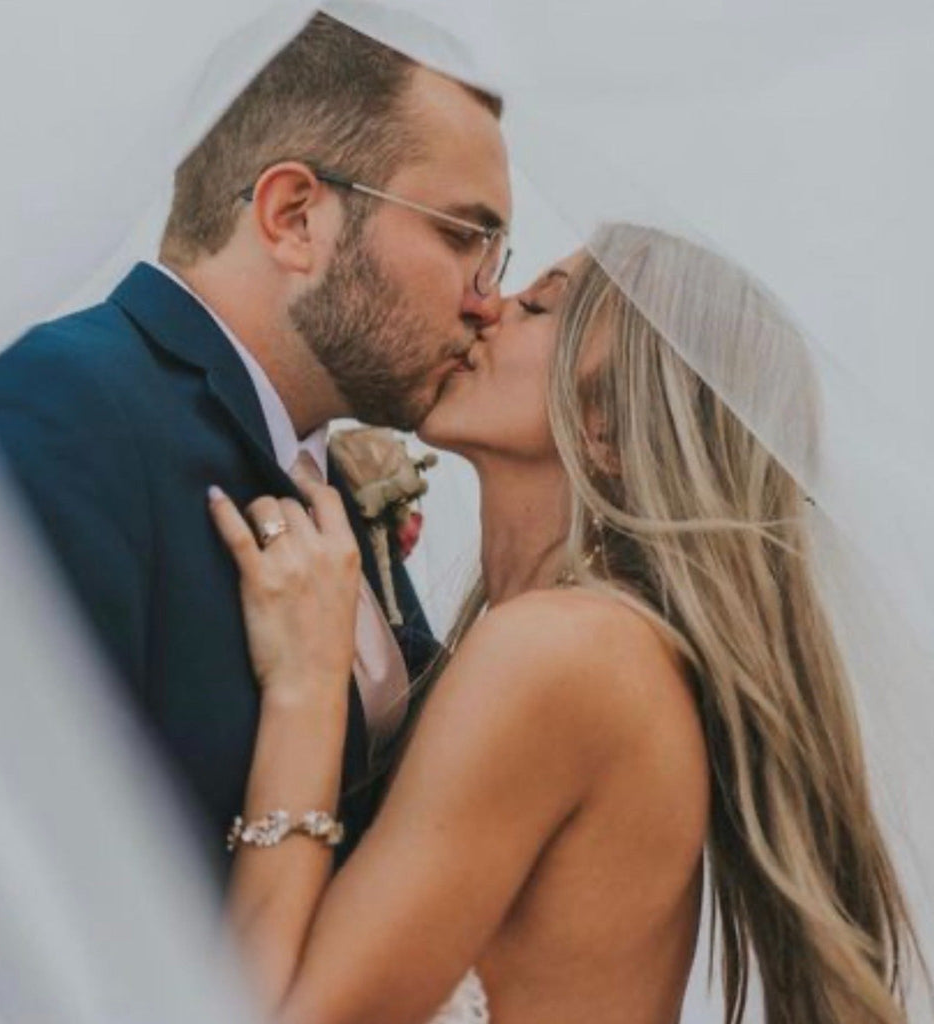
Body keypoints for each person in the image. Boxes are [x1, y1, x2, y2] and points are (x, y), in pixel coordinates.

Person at [208, 223, 925, 1024]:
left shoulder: (566, 653)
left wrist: (306, 689)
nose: (487, 307)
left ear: (608, 428)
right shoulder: (607, 653)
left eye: (540, 306)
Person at [0, 13, 510, 875]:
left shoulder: (327, 484)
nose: (487, 300)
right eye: (463, 237)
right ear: (295, 216)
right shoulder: (55, 404)